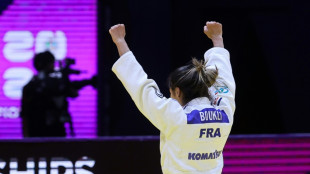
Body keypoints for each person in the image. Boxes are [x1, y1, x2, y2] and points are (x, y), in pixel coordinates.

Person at [109, 21, 235, 173]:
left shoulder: (175, 116)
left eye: (170, 93)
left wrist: (120, 42)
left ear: (178, 91)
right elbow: (222, 77)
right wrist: (217, 38)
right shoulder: (224, 112)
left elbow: (141, 86)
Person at [21, 51, 96, 137]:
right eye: (52, 63)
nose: (54, 66)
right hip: (38, 131)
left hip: (55, 131)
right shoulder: (32, 86)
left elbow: (73, 93)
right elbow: (25, 113)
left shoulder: (56, 83)